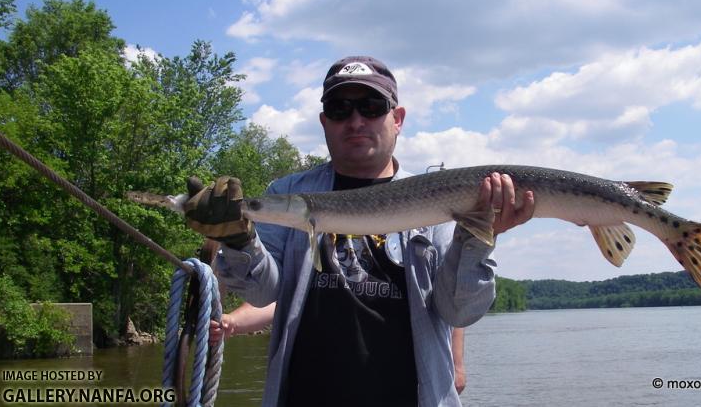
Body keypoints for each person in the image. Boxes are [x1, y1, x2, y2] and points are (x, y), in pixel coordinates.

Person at [184, 55, 535, 407]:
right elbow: (264, 293)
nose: (355, 121)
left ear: (397, 119)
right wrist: (238, 238)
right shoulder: (286, 193)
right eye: (340, 108)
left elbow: (458, 312)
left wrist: (476, 237)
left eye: (371, 107)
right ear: (324, 122)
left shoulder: (438, 197)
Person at [210, 302, 468, 394]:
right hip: (317, 386)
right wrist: (234, 321)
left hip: (402, 388)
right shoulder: (310, 203)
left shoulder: (419, 195)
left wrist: (456, 365)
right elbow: (282, 296)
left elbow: (449, 297)